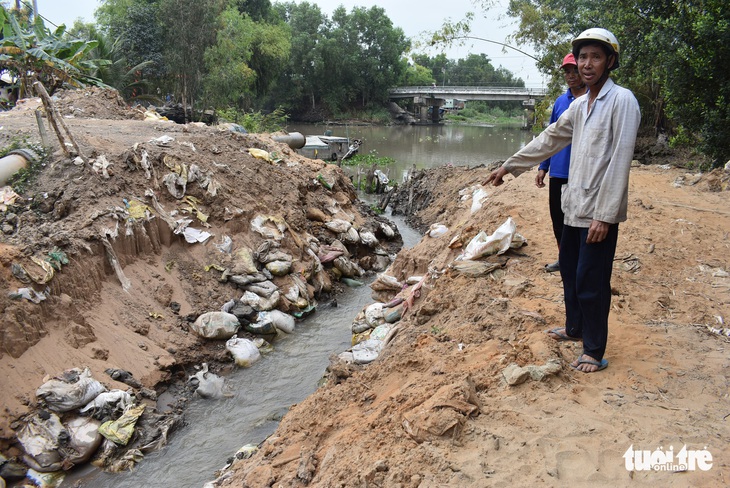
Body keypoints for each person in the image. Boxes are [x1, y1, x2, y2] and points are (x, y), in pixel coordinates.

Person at [483, 28, 641, 373]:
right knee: (570, 270)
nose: (586, 64)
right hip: (574, 206)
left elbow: (619, 162)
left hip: (599, 212)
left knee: (591, 279)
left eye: (595, 57)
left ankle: (594, 349)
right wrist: (511, 165)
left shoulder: (622, 101)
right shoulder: (580, 105)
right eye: (582, 57)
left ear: (610, 61)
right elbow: (550, 138)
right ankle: (575, 329)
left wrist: (605, 214)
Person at [537, 53, 586, 273]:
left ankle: (580, 261)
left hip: (581, 173)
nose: (571, 75)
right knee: (558, 219)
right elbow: (550, 137)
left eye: (574, 70)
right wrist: (543, 166)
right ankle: (564, 259)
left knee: (579, 220)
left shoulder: (592, 100)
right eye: (567, 71)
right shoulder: (560, 102)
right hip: (558, 171)